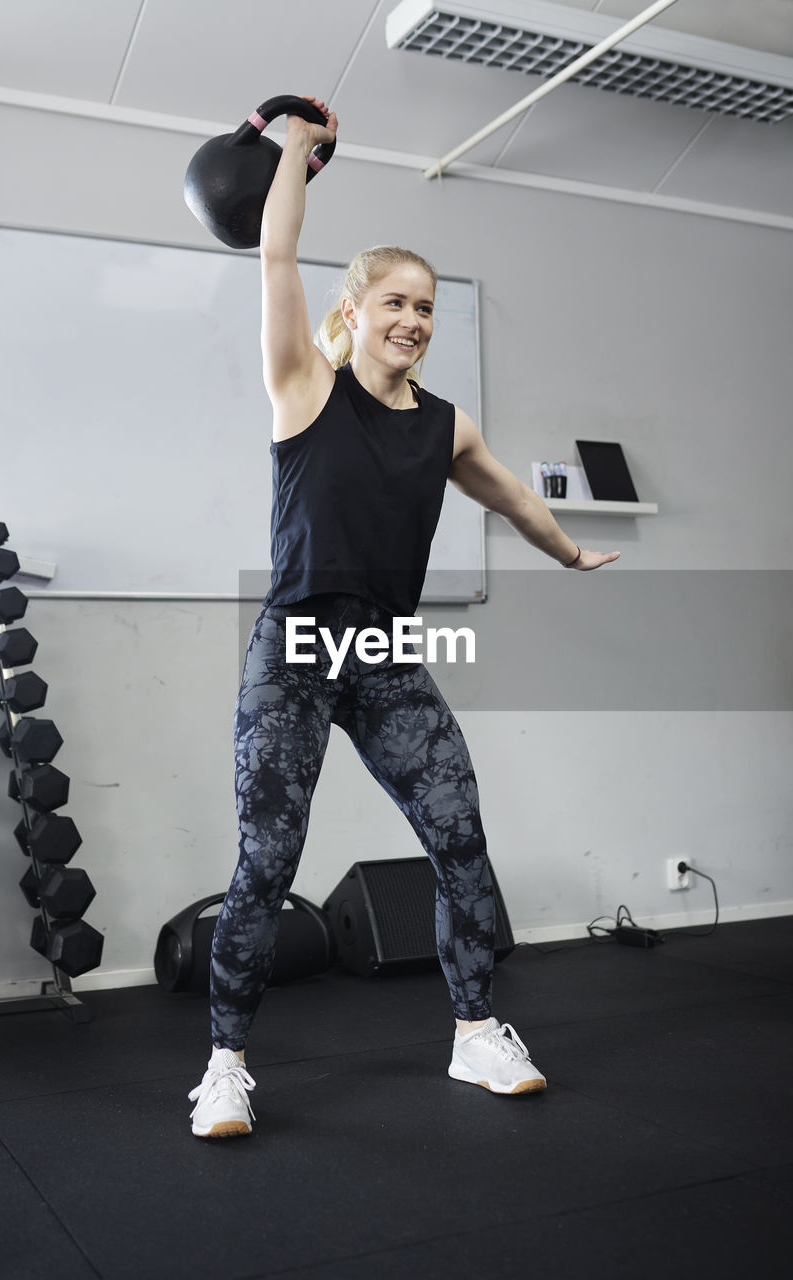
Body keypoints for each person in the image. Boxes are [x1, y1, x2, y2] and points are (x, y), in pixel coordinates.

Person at [188, 98, 620, 1138]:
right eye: (394, 302)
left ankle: (476, 1030)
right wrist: (295, 147)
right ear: (357, 307)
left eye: (425, 307)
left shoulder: (444, 424)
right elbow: (277, 255)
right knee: (266, 860)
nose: (413, 320)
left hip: (381, 650)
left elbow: (510, 493)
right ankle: (224, 1064)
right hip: (295, 648)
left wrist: (564, 549)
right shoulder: (302, 386)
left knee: (459, 835)